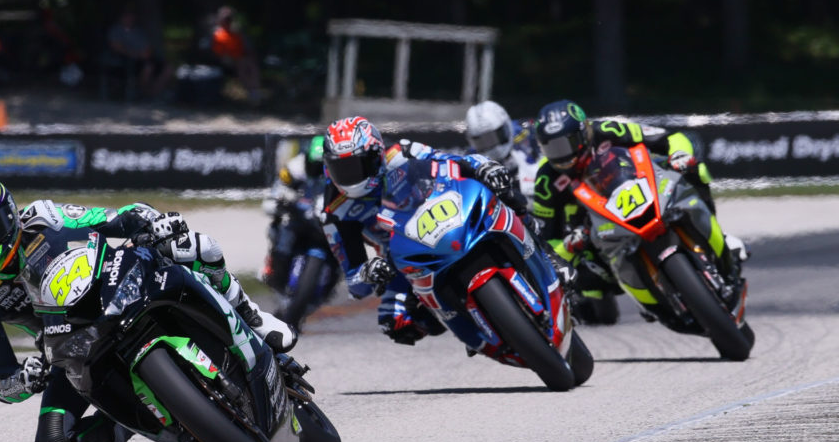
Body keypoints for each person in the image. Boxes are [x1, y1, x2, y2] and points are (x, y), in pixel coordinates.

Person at [0, 177, 294, 442]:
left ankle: (250, 316)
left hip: (116, 287)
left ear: (9, 215)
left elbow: (116, 217)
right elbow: (1, 382)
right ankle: (128, 423)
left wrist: (151, 222)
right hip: (69, 347)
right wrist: (25, 380)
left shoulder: (45, 215)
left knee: (192, 247)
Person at [530, 99, 748, 325]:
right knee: (582, 277)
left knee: (697, 170)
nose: (559, 155)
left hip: (642, 190)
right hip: (596, 232)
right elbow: (546, 241)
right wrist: (568, 245)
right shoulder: (546, 180)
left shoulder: (608, 130)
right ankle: (651, 300)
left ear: (583, 132)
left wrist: (679, 155)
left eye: (564, 145)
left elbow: (671, 138)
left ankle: (718, 238)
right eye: (550, 148)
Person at [320, 116, 527, 346]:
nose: (350, 176)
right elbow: (355, 283)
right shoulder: (334, 211)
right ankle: (466, 322)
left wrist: (482, 166)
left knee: (501, 191)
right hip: (400, 255)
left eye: (357, 165)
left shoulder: (402, 152)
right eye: (341, 168)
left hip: (446, 216)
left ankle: (546, 253)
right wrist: (369, 272)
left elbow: (456, 162)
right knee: (395, 321)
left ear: (376, 155)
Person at [261, 136, 339, 325]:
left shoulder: (341, 173)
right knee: (281, 230)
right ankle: (273, 268)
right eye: (315, 163)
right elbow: (277, 189)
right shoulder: (295, 167)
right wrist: (281, 199)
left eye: (323, 164)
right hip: (300, 216)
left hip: (327, 222)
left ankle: (333, 280)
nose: (318, 168)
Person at [465, 100, 543, 208]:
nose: (491, 146)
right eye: (482, 141)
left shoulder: (529, 131)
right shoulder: (471, 158)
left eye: (494, 137)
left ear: (506, 127)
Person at [104, 6, 173, 99]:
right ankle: (144, 93)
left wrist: (147, 53)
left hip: (144, 58)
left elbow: (147, 47)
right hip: (127, 60)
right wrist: (136, 54)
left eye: (132, 16)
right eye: (127, 16)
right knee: (148, 68)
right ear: (122, 18)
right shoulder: (116, 30)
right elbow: (117, 47)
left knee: (168, 68)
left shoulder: (139, 31)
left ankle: (155, 93)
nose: (130, 19)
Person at [209, 6, 262, 106]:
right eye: (225, 18)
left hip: (241, 60)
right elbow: (215, 53)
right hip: (224, 62)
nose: (227, 21)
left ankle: (254, 91)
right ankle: (253, 93)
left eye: (229, 18)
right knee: (242, 65)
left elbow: (248, 48)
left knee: (250, 65)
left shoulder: (237, 32)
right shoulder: (216, 33)